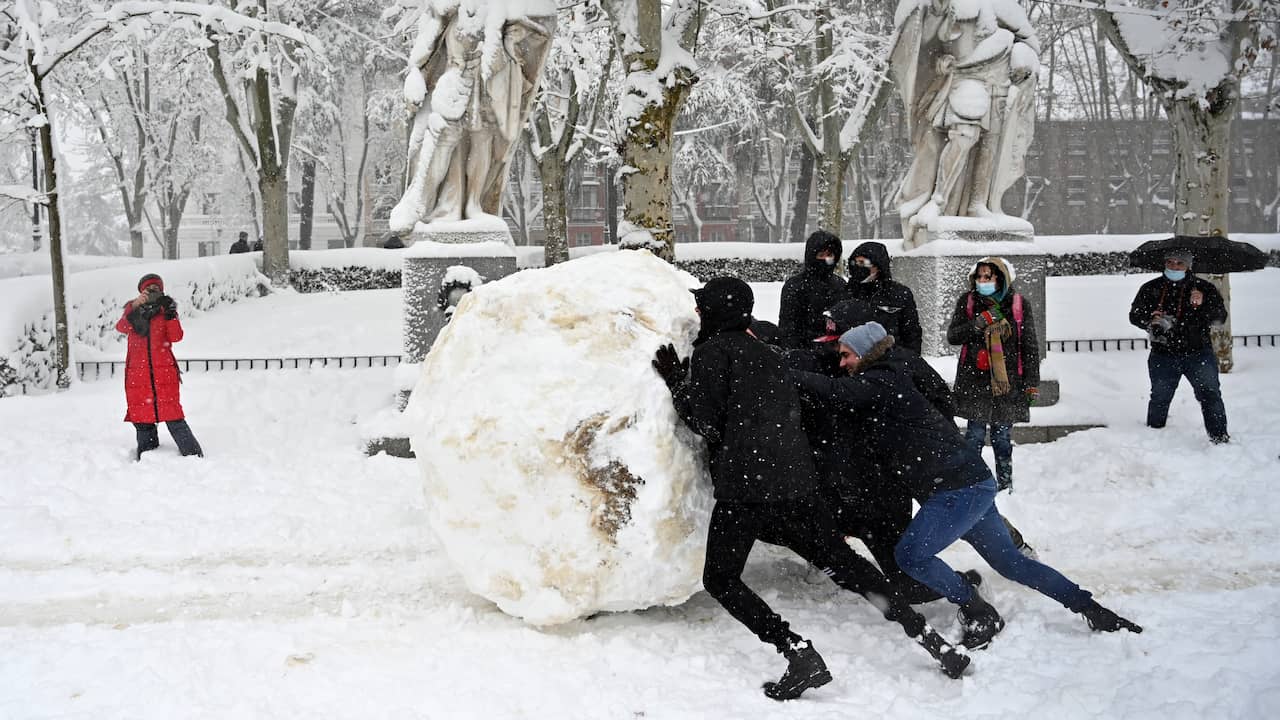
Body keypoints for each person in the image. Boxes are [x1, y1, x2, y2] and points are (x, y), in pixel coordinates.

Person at [652, 278, 968, 701]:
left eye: (701, 307)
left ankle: (795, 652)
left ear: (711, 311)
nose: (696, 314)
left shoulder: (712, 353)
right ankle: (930, 639)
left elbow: (708, 425)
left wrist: (677, 384)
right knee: (847, 567)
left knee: (721, 579)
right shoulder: (768, 353)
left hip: (747, 489)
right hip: (797, 483)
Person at [792, 322, 1142, 651]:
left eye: (846, 354)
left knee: (910, 556)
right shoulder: (884, 378)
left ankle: (978, 610)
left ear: (865, 352)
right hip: (970, 482)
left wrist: (782, 373)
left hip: (956, 489)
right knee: (1010, 563)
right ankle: (1092, 608)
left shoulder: (882, 379)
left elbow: (836, 391)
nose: (842, 362)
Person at [946, 257, 1039, 491]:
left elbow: (1029, 346)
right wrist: (977, 324)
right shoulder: (967, 302)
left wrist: (1031, 382)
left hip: (1006, 382)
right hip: (974, 380)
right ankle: (972, 481)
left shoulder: (1017, 304)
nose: (982, 281)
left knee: (1001, 437)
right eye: (979, 277)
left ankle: (1005, 484)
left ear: (1001, 278)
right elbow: (954, 336)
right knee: (974, 436)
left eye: (988, 276)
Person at [1128, 251, 1229, 443]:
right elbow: (1134, 315)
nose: (1174, 267)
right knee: (1160, 396)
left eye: (1180, 263)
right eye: (1170, 262)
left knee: (1210, 395)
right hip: (1163, 354)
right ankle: (1154, 435)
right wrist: (1151, 317)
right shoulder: (1151, 288)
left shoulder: (1203, 288)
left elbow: (1219, 318)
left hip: (1198, 353)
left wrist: (1203, 303)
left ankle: (1219, 437)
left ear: (1188, 266)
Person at [116, 274, 203, 460]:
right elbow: (122, 327)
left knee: (173, 417)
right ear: (141, 292)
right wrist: (135, 307)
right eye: (149, 289)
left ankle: (194, 457)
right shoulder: (133, 310)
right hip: (137, 375)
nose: (153, 292)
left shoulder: (166, 310)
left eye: (157, 288)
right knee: (142, 419)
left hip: (163, 373)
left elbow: (176, 336)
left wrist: (171, 314)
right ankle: (148, 458)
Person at [842, 241, 924, 353]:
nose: (858, 267)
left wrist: (908, 362)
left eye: (862, 262)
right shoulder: (846, 292)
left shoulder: (899, 294)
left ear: (878, 265)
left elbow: (911, 334)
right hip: (852, 360)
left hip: (890, 360)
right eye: (855, 262)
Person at [777, 230, 845, 348]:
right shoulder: (795, 286)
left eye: (829, 255)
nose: (825, 259)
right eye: (821, 255)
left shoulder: (840, 285)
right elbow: (788, 329)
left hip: (837, 353)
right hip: (804, 354)